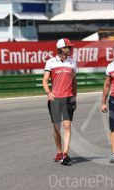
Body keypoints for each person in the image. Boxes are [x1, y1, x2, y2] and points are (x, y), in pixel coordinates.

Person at [42, 38, 77, 166]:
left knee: (67, 127)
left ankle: (66, 154)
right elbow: (45, 80)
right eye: (69, 47)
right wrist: (49, 93)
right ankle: (59, 151)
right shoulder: (50, 62)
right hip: (55, 100)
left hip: (68, 99)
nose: (71, 49)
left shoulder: (72, 63)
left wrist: (75, 97)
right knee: (57, 127)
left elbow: (74, 82)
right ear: (62, 48)